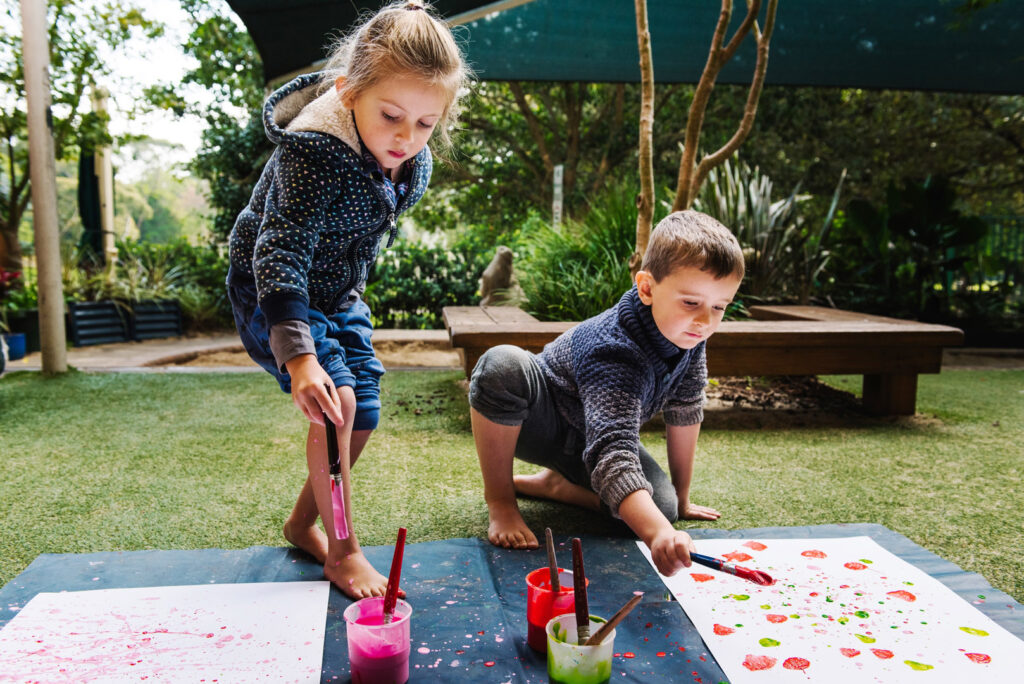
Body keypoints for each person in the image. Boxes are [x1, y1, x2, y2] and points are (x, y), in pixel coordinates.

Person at [226, 1, 469, 598]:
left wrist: (343, 303)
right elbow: (278, 254)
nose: (406, 138)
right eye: (391, 116)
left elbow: (360, 235)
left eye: (425, 123)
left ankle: (301, 523)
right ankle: (343, 550)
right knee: (338, 402)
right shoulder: (313, 152)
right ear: (348, 91)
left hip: (336, 293)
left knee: (366, 411)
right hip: (275, 290)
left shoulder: (412, 167)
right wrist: (301, 357)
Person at [469, 211, 745, 578]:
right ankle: (501, 499)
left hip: (593, 435)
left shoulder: (690, 337)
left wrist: (680, 498)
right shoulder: (614, 348)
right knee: (502, 364)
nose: (705, 321)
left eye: (719, 307)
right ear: (646, 288)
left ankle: (557, 485)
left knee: (661, 507)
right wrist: (659, 534)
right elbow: (612, 450)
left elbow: (686, 408)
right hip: (535, 422)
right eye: (691, 303)